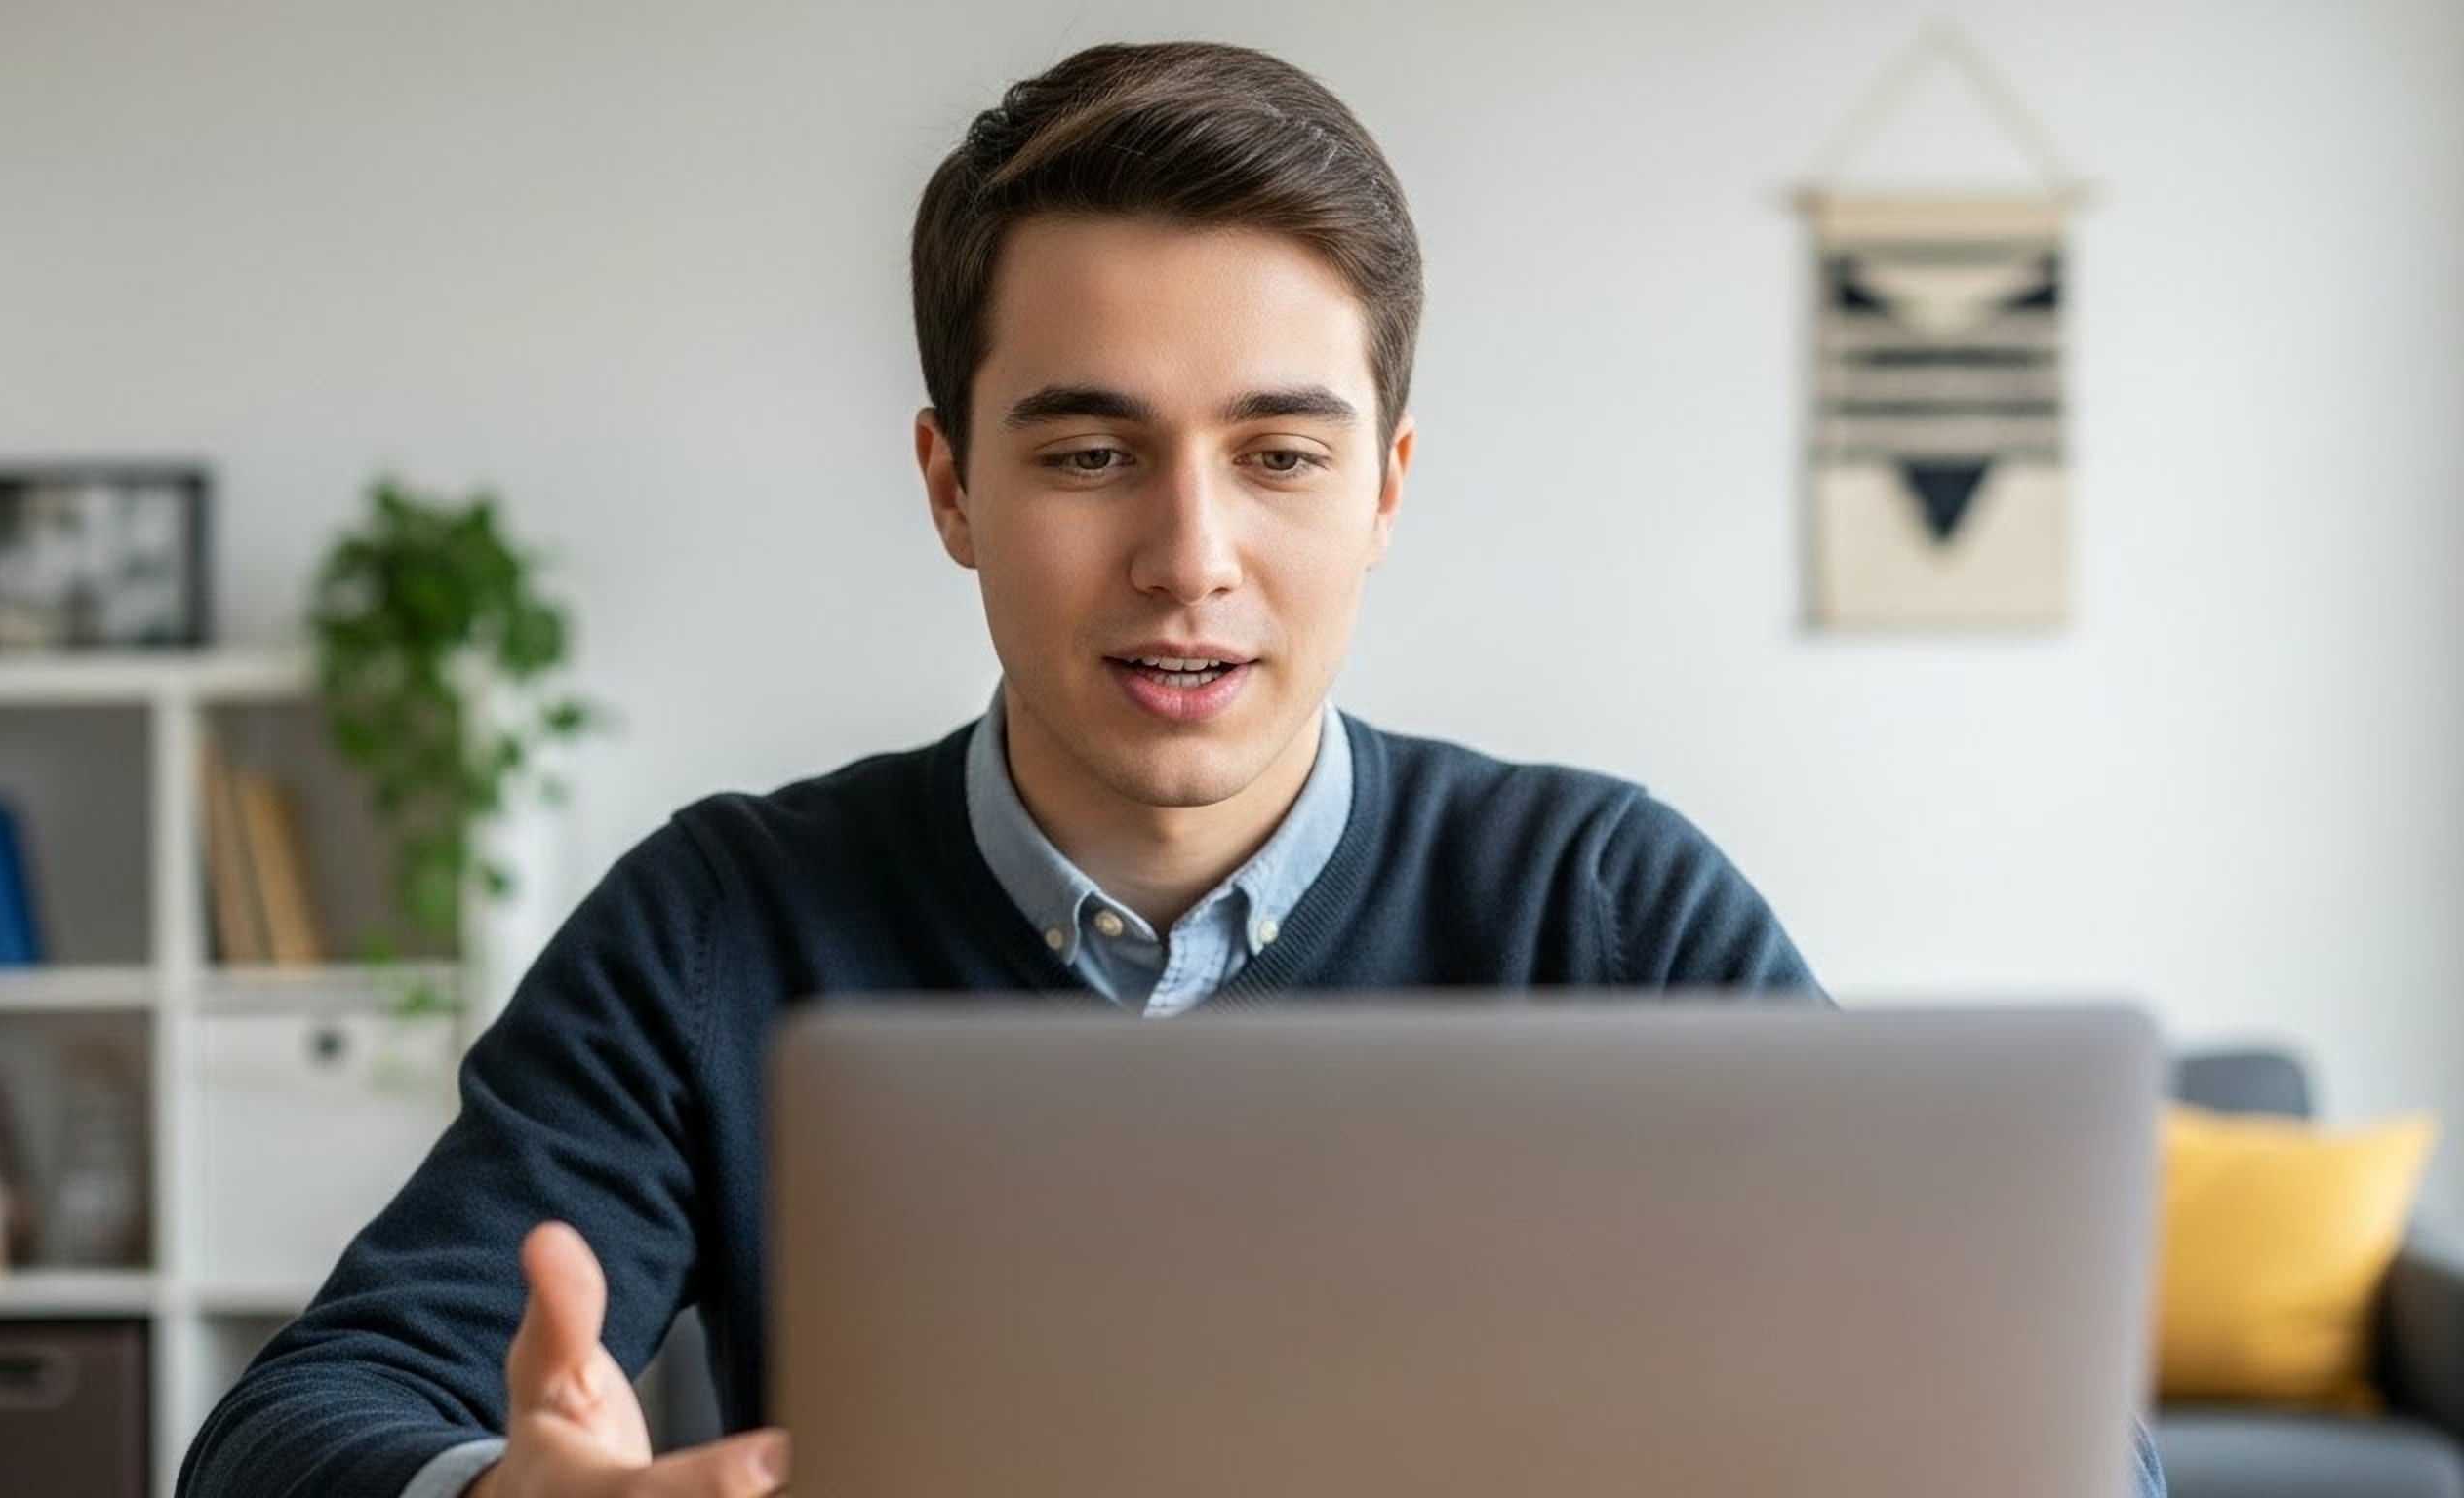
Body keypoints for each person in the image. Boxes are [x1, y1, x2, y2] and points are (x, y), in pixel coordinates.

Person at [179, 40, 2165, 1498]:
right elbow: (284, 1436)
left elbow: (2068, 1459)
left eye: (1280, 455)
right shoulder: (723, 919)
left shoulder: (1598, 898)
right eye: (1088, 449)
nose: (1190, 557)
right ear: (951, 483)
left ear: (1385, 491)